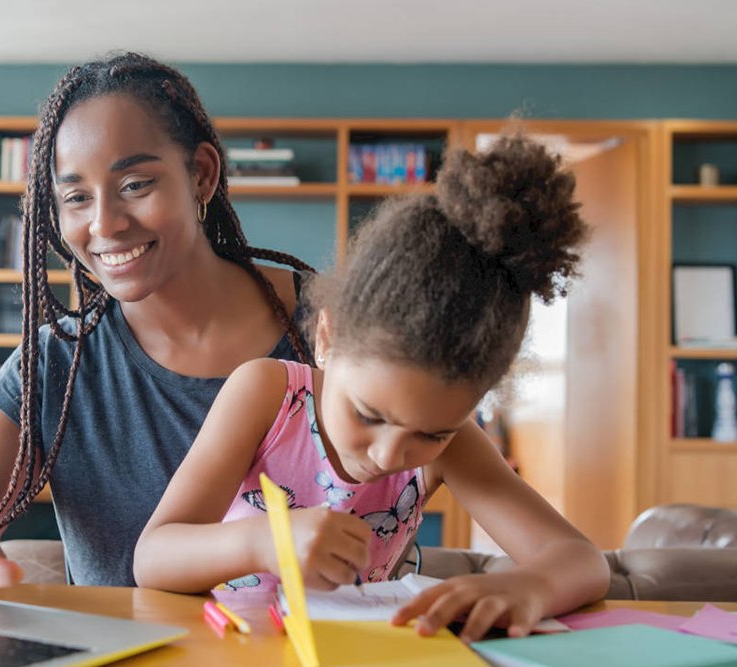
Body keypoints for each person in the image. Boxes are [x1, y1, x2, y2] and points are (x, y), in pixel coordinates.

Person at [133, 134, 610, 642]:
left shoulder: (456, 445)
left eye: (432, 434)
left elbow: (581, 560)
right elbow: (154, 557)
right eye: (368, 415)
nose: (390, 454)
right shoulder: (267, 395)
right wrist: (263, 542)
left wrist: (529, 586)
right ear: (326, 338)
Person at [0, 51, 315, 590]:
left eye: (134, 185)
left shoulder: (330, 327)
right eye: (76, 197)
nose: (105, 224)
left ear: (200, 174)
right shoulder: (56, 365)